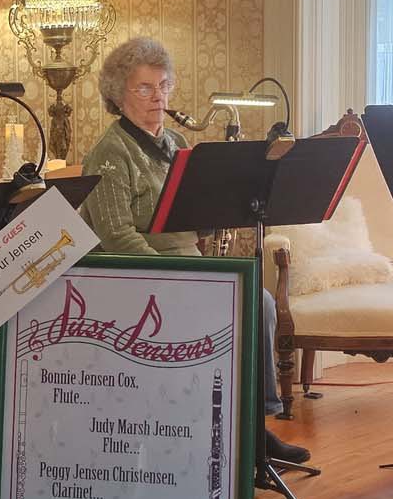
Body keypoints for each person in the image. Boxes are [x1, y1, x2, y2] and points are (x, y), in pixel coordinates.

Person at [79, 34, 312, 469]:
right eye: (144, 87)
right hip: (139, 275)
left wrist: (225, 199)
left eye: (164, 85)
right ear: (118, 94)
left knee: (258, 302)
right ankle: (229, 433)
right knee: (242, 303)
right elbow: (116, 237)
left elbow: (197, 222)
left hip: (189, 264)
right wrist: (178, 275)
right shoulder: (110, 153)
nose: (158, 97)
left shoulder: (179, 146)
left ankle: (252, 428)